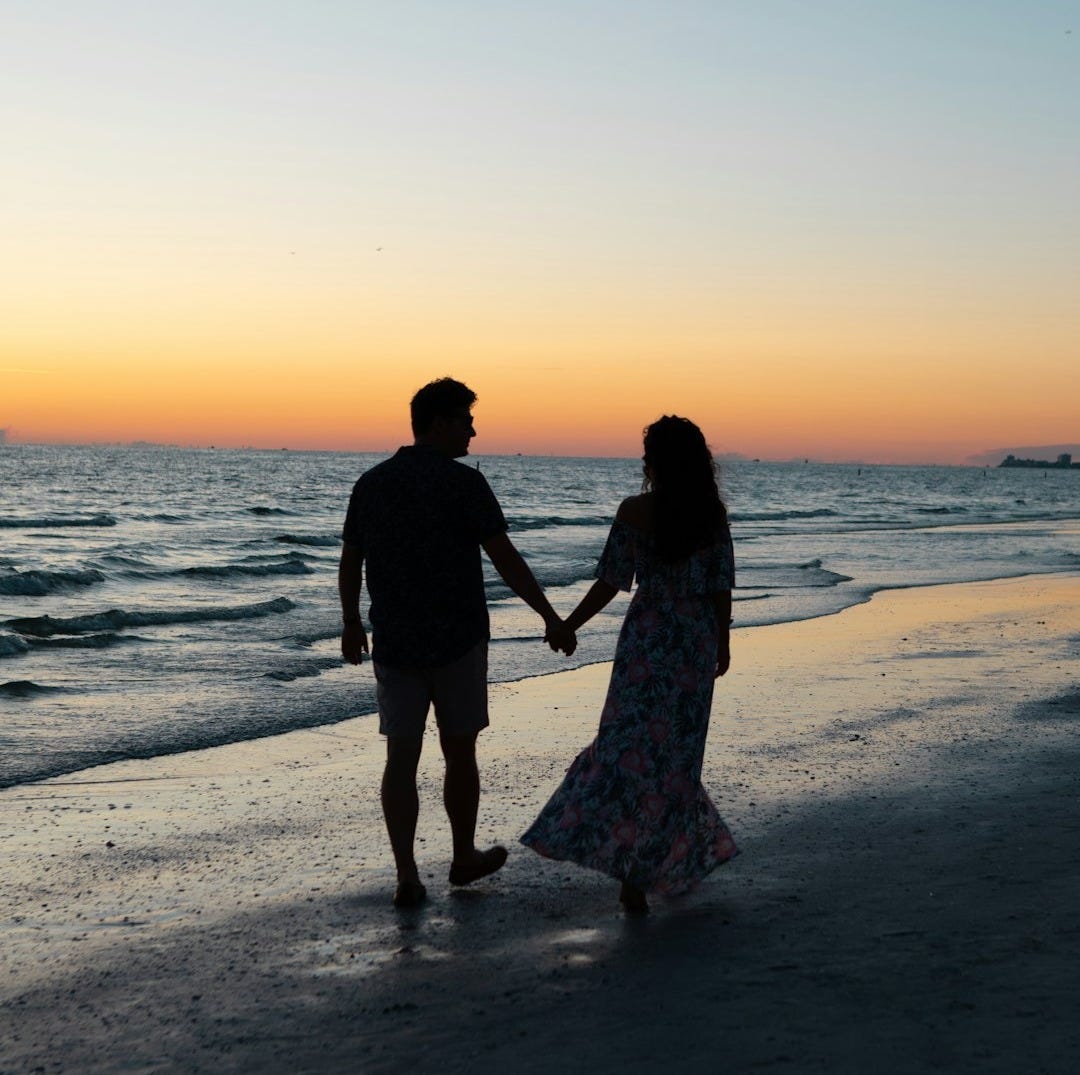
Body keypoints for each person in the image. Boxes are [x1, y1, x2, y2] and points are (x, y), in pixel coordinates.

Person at [339, 377, 573, 909]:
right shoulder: (465, 484)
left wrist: (352, 621)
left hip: (395, 638)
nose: (474, 429)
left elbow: (351, 559)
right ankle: (462, 855)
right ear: (439, 423)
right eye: (466, 420)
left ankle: (408, 876)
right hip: (458, 638)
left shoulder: (372, 483)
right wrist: (551, 616)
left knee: (402, 754)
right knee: (459, 750)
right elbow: (505, 558)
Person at [520, 415, 738, 914]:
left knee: (624, 750)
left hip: (646, 640)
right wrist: (722, 642)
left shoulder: (635, 511)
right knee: (677, 762)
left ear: (654, 461)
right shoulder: (712, 514)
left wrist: (568, 623)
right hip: (693, 642)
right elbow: (719, 585)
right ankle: (653, 867)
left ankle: (632, 872)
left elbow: (611, 581)